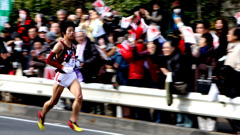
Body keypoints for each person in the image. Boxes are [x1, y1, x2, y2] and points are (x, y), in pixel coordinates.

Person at [38, 21, 83, 132]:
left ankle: (72, 121)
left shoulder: (74, 46)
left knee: (79, 97)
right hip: (61, 77)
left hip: (71, 75)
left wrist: (77, 62)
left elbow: (72, 60)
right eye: (70, 31)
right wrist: (62, 68)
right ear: (64, 33)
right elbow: (48, 60)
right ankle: (42, 115)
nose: (72, 33)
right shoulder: (59, 45)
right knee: (53, 101)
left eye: (73, 30)